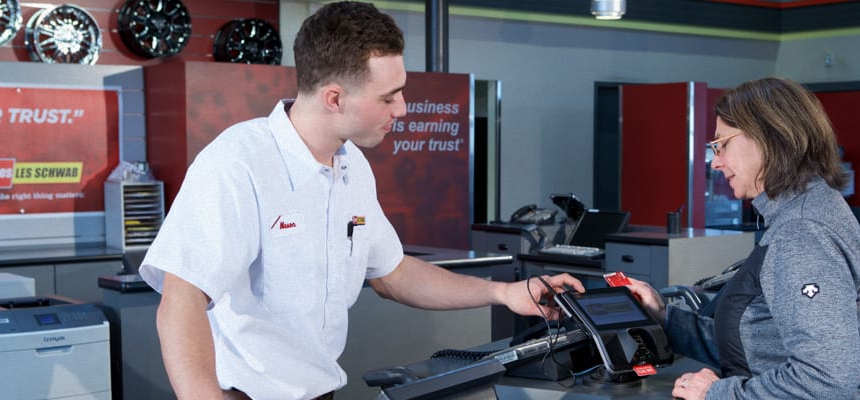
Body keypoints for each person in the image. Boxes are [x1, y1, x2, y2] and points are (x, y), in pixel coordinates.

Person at [137, 2, 583, 399]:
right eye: (388, 96)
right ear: (334, 98)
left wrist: (504, 292)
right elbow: (181, 301)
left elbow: (392, 272)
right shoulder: (238, 163)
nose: (403, 108)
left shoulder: (350, 166)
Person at [625, 77, 860, 399]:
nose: (716, 162)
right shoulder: (804, 210)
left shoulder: (802, 231)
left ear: (767, 137)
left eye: (722, 144)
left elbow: (824, 382)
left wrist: (717, 394)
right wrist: (665, 317)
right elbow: (758, 346)